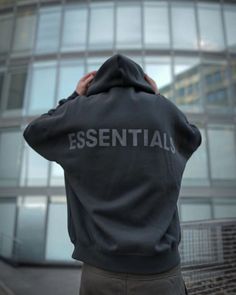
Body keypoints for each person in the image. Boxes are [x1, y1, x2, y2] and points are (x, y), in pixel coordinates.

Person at [23, 54, 201, 294]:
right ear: (144, 81)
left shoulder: (78, 111)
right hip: (161, 273)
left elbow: (35, 131)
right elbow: (192, 135)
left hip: (100, 272)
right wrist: (157, 97)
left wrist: (75, 97)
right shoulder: (162, 110)